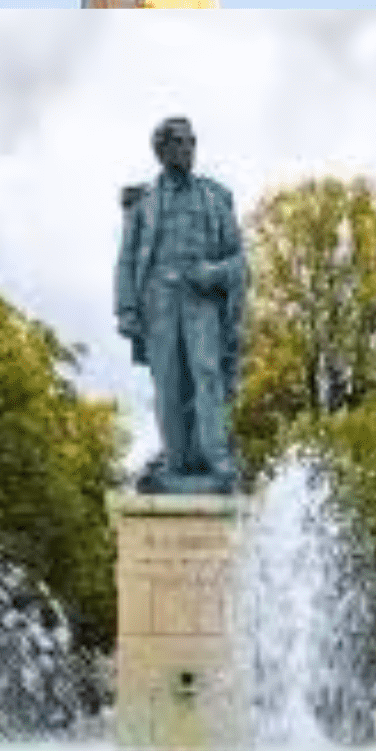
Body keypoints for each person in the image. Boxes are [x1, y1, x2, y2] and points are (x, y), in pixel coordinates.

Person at [114, 116, 245, 494]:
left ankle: (218, 460)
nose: (189, 149)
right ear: (163, 151)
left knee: (208, 375)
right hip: (157, 301)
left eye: (192, 142)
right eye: (181, 143)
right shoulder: (144, 202)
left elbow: (238, 260)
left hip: (201, 299)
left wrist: (212, 272)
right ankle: (176, 461)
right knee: (167, 383)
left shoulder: (217, 196)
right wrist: (125, 309)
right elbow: (126, 259)